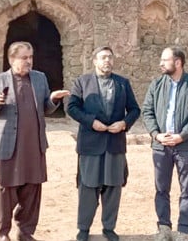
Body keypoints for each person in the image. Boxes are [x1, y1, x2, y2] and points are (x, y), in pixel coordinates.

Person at [0, 41, 70, 241]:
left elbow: (46, 109)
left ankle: (25, 231)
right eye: (24, 58)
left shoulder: (40, 78)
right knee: (6, 190)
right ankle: (3, 233)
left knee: (33, 188)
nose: (29, 61)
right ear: (12, 59)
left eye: (31, 57)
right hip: (9, 145)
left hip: (34, 144)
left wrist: (54, 100)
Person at [67, 46, 141, 241]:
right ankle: (83, 228)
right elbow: (72, 107)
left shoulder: (123, 83)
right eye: (103, 57)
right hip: (91, 144)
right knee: (88, 187)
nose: (107, 60)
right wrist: (91, 122)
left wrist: (124, 123)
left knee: (113, 187)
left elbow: (134, 110)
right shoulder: (82, 82)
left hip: (115, 143)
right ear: (95, 61)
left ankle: (109, 228)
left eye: (110, 57)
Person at [142, 47, 188, 241]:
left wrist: (182, 136)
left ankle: (183, 230)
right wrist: (156, 135)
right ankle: (164, 228)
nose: (161, 63)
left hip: (186, 146)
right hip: (161, 146)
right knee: (161, 188)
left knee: (187, 189)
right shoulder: (156, 85)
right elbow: (147, 112)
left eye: (165, 60)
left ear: (178, 62)